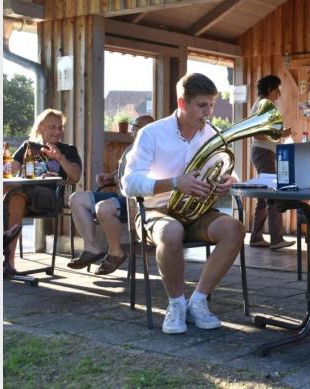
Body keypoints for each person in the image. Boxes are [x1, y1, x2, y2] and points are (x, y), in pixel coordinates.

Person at [121, 73, 245, 335]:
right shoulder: (151, 133)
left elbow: (234, 172)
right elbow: (128, 183)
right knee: (171, 231)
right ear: (182, 103)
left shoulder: (212, 133)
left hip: (197, 212)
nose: (209, 112)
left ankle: (198, 301)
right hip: (156, 211)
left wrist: (229, 180)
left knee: (234, 228)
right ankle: (176, 304)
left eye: (211, 105)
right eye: (202, 105)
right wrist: (175, 183)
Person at [67, 115, 155, 275]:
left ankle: (116, 252)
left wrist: (115, 178)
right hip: (122, 198)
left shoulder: (153, 149)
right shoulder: (133, 147)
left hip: (137, 201)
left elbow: (141, 177)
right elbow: (126, 171)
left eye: (135, 126)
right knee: (76, 198)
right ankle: (91, 248)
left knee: (104, 208)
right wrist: (110, 176)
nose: (133, 130)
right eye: (134, 126)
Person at [4, 109, 82, 277]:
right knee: (13, 196)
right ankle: (8, 263)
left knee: (13, 194)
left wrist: (60, 158)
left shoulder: (68, 150)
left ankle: (8, 261)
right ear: (40, 128)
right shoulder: (28, 146)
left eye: (60, 128)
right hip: (20, 197)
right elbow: (8, 171)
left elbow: (75, 176)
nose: (57, 131)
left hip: (49, 198)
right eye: (52, 127)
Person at [249, 75, 295, 250]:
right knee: (272, 195)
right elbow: (257, 133)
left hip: (264, 152)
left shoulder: (263, 105)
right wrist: (280, 134)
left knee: (264, 195)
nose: (280, 93)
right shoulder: (264, 106)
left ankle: (256, 237)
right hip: (263, 152)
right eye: (277, 89)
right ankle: (276, 238)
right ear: (269, 89)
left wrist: (279, 133)